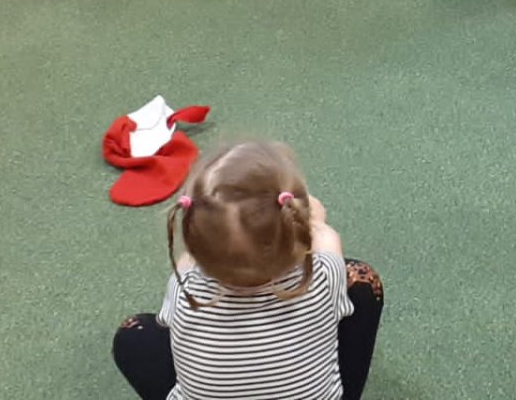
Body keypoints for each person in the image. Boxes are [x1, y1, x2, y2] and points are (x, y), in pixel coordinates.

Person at [111, 141, 385, 400]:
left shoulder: (184, 291)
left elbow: (187, 265)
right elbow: (326, 236)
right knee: (360, 278)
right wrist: (311, 216)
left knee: (132, 335)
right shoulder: (323, 278)